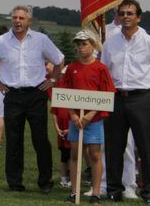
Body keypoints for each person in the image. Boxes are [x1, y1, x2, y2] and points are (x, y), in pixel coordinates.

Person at [0, 5, 64, 193]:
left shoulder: (41, 40)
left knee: (40, 139)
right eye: (15, 18)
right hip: (12, 95)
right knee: (14, 140)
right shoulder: (1, 41)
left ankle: (45, 182)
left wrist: (52, 80)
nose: (17, 21)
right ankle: (15, 183)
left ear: (29, 21)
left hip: (36, 94)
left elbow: (59, 59)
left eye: (21, 18)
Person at [100, 0, 150, 203]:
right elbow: (104, 72)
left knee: (146, 148)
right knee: (114, 147)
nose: (125, 17)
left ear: (138, 17)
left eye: (130, 13)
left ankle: (149, 192)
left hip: (141, 97)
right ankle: (114, 190)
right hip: (116, 98)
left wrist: (147, 95)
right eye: (122, 13)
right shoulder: (110, 42)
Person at [55, 31, 116, 205]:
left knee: (95, 155)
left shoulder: (100, 68)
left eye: (85, 44)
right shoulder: (72, 67)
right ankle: (74, 192)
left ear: (93, 45)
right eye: (79, 44)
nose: (81, 47)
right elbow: (65, 94)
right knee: (75, 154)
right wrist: (73, 115)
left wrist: (90, 115)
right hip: (76, 120)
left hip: (94, 120)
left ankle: (96, 193)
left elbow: (107, 93)